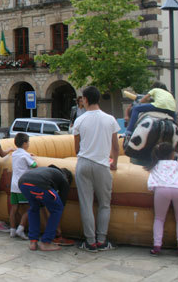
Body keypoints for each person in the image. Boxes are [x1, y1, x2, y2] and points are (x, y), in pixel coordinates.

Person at [73, 86, 120, 252]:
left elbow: (76, 149)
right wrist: (114, 162)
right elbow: (116, 147)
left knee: (86, 204)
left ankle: (90, 241)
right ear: (98, 99)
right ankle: (102, 240)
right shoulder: (110, 119)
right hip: (102, 165)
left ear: (85, 99)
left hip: (84, 164)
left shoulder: (80, 120)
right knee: (104, 204)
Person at [146, 142, 178, 256]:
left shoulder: (154, 165)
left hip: (162, 190)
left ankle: (156, 247)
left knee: (159, 219)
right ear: (172, 154)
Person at [18, 165, 73, 252]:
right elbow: (60, 206)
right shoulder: (64, 179)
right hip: (40, 184)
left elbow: (43, 203)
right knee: (57, 209)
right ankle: (46, 242)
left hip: (23, 182)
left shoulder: (47, 171)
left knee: (34, 208)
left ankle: (33, 242)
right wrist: (57, 229)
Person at [9, 133, 36, 240]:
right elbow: (34, 165)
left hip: (13, 185)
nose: (28, 144)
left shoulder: (14, 154)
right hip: (22, 185)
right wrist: (32, 158)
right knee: (29, 207)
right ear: (25, 143)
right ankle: (21, 228)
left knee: (14, 208)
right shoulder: (25, 155)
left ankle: (12, 229)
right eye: (28, 142)